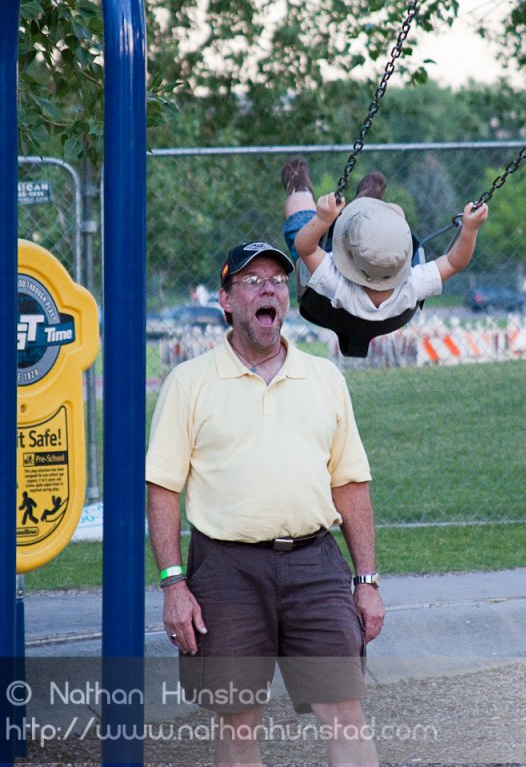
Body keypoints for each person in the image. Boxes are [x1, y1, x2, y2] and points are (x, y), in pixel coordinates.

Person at [146, 240, 384, 767]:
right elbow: (162, 486)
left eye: (277, 279)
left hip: (315, 564)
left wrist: (366, 581)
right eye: (252, 281)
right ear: (227, 301)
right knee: (238, 723)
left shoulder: (324, 378)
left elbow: (350, 483)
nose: (268, 288)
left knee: (345, 713)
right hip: (226, 569)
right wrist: (173, 583)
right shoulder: (189, 383)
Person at [282, 156, 489, 321]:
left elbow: (305, 248)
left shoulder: (337, 285)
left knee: (301, 220)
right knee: (391, 218)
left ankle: (299, 188)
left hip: (326, 262)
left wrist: (322, 219)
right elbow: (455, 262)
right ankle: (368, 203)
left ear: (350, 253)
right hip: (354, 256)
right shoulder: (410, 286)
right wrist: (470, 230)